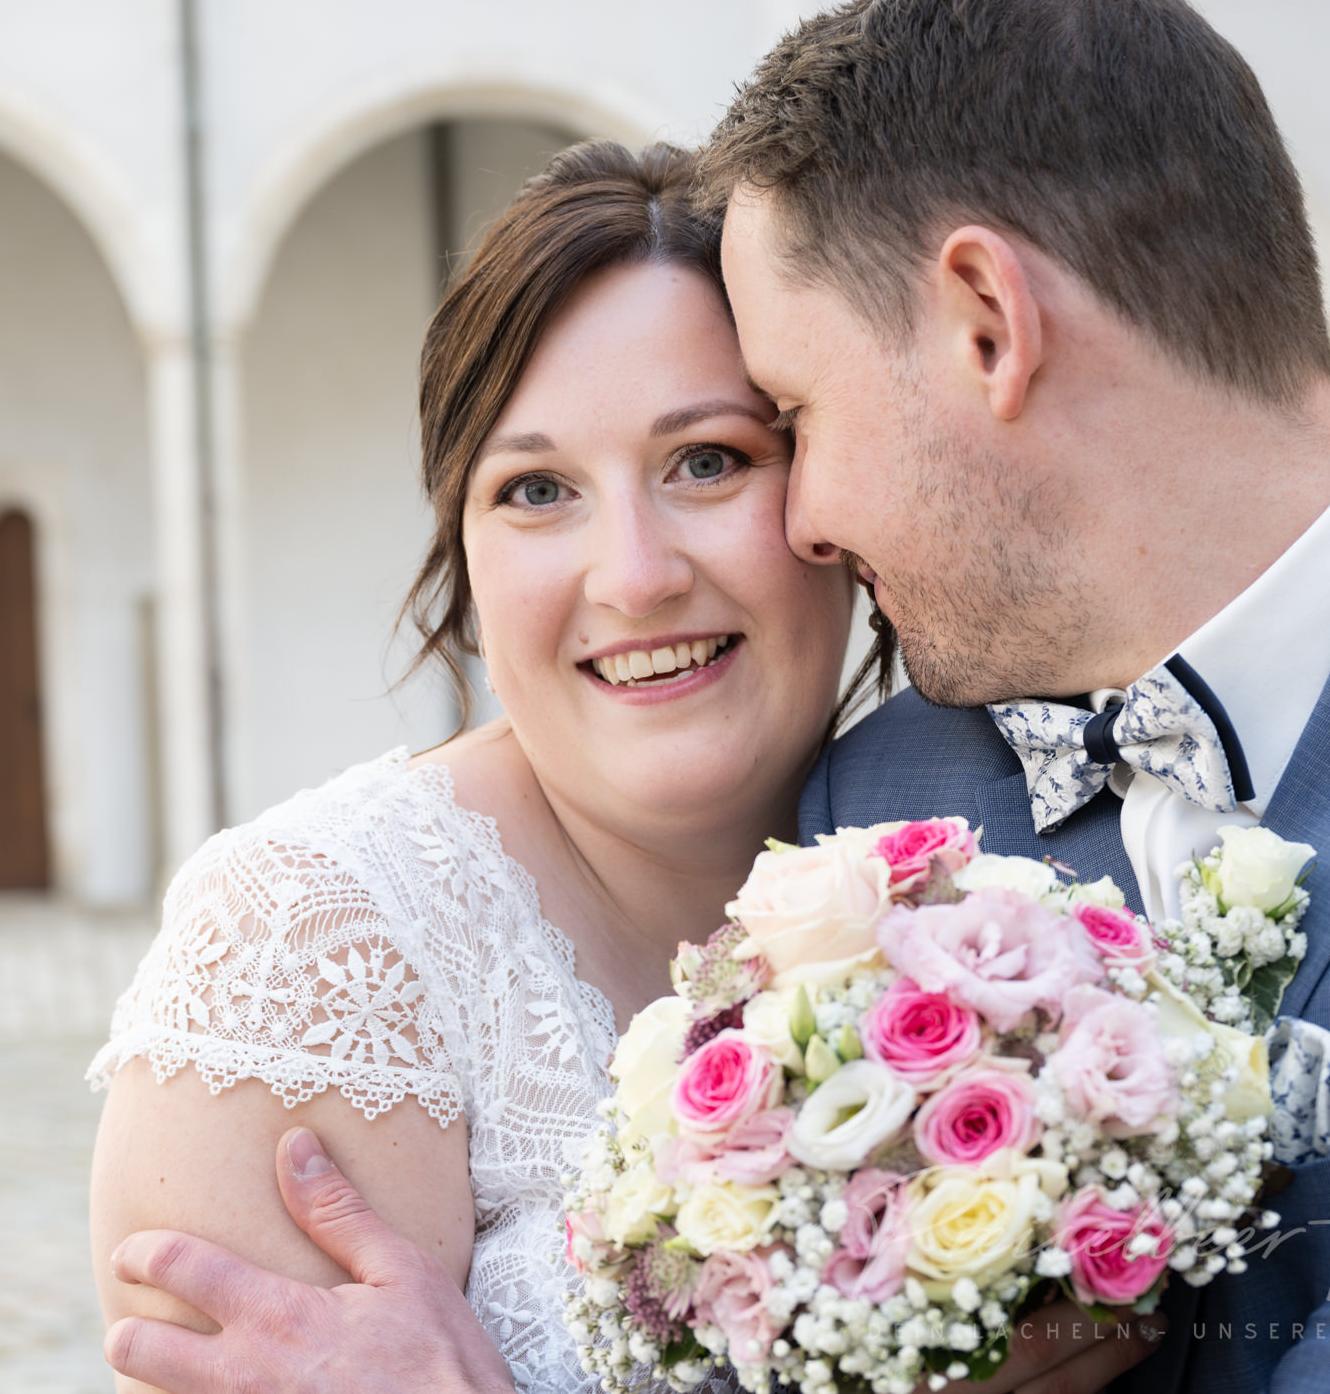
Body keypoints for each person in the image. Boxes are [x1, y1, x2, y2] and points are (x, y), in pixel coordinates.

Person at [104, 0, 1330, 1391]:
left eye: (777, 430)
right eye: (535, 486)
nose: (807, 521)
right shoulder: (896, 804)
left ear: (986, 321)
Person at [91, 140, 1158, 1394]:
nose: (636, 574)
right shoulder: (306, 948)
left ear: (827, 494)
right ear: (465, 555)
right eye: (536, 489)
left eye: (706, 461)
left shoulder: (1031, 854)